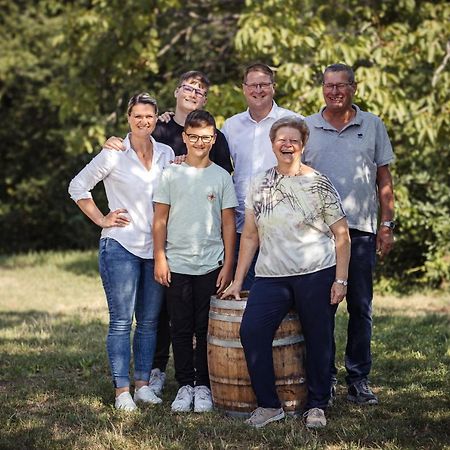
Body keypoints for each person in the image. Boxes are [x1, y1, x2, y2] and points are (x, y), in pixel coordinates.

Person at [102, 71, 233, 397]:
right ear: (177, 91)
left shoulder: (213, 136)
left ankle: (196, 380)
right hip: (155, 234)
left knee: (189, 317)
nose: (192, 92)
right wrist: (112, 143)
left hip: (200, 239)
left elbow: (221, 189)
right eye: (188, 87)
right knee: (158, 313)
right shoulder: (158, 126)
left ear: (205, 99)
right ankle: (157, 371)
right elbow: (131, 145)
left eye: (199, 90)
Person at [224, 116, 351, 429]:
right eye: (281, 140)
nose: (287, 145)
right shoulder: (259, 183)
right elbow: (251, 235)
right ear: (272, 145)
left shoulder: (318, 183)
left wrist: (341, 279)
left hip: (316, 272)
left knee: (319, 338)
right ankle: (269, 405)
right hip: (271, 275)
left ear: (303, 145)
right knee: (251, 331)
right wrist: (238, 280)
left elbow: (342, 235)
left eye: (294, 140)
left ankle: (317, 404)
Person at [68, 93, 174, 411]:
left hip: (155, 248)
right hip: (121, 246)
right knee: (120, 322)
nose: (144, 121)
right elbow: (77, 186)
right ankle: (122, 391)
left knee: (150, 322)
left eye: (149, 116)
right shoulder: (114, 152)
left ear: (157, 119)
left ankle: (142, 385)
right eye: (137, 116)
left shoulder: (167, 153)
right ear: (128, 118)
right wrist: (102, 218)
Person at [303, 63, 395, 405]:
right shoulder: (307, 126)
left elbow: (383, 180)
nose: (335, 91)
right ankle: (324, 379)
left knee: (361, 307)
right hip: (318, 235)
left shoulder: (371, 125)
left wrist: (387, 225)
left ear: (353, 88)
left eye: (342, 86)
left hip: (360, 233)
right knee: (320, 311)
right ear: (322, 88)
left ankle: (358, 378)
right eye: (329, 85)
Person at [153, 110, 237, 413]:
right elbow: (159, 220)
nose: (199, 142)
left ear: (213, 139)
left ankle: (203, 385)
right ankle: (184, 384)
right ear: (184, 138)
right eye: (193, 136)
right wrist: (160, 257)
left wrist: (228, 264)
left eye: (206, 137)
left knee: (205, 327)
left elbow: (229, 224)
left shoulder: (221, 177)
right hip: (176, 263)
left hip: (211, 264)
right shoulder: (171, 174)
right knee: (180, 326)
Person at [221, 63, 303, 289]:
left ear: (273, 88)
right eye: (253, 85)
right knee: (242, 292)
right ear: (244, 88)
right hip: (240, 225)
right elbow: (216, 167)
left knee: (278, 295)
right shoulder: (231, 126)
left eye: (264, 84)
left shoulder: (292, 121)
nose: (258, 90)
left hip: (281, 225)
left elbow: (305, 170)